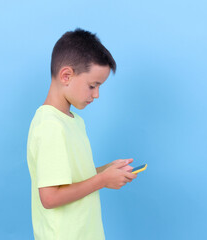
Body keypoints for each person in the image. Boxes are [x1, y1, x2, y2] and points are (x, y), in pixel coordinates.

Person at [26, 28, 138, 240]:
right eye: (92, 86)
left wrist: (106, 170)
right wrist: (103, 180)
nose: (96, 95)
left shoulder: (73, 121)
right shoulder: (50, 125)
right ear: (66, 75)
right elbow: (49, 197)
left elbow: (70, 178)